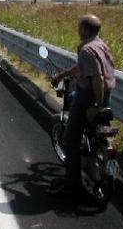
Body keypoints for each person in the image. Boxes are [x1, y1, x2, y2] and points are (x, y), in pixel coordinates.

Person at [47, 14, 116, 198]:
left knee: (71, 141)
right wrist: (63, 74)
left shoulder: (86, 49)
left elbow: (97, 78)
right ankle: (94, 165)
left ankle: (73, 187)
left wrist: (96, 104)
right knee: (95, 133)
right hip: (107, 94)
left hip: (89, 96)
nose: (78, 30)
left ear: (85, 29)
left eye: (79, 27)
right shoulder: (101, 45)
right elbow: (83, 68)